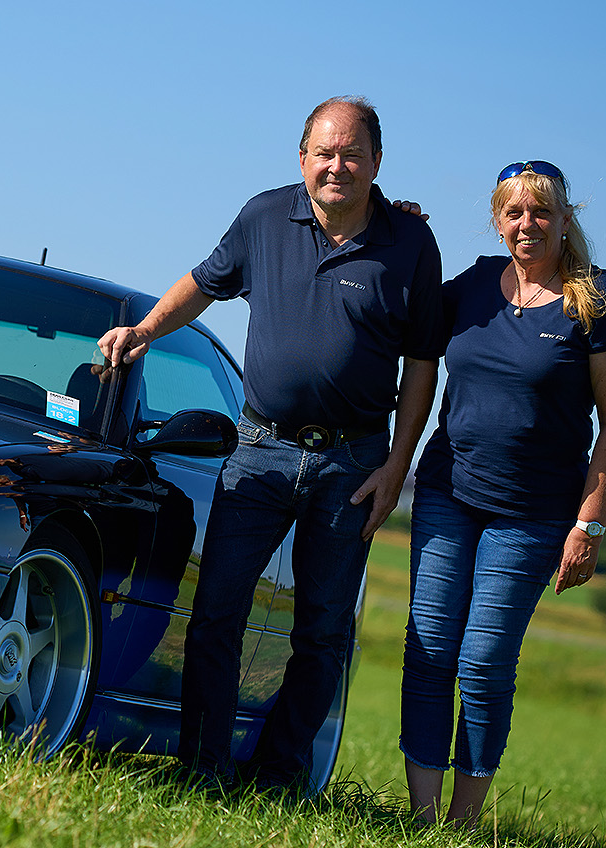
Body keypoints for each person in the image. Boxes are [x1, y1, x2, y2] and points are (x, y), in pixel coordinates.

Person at [99, 96, 445, 792]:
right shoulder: (263, 217)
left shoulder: (411, 243)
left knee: (323, 632)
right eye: (325, 152)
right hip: (260, 452)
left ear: (377, 162)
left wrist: (397, 466)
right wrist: (145, 329)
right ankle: (203, 769)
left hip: (353, 463)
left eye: (352, 154)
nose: (337, 166)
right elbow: (203, 283)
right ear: (302, 158)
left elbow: (422, 366)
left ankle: (278, 777)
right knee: (216, 614)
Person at [401, 160, 606, 827]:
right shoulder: (474, 285)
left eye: (541, 211)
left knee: (483, 663)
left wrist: (589, 524)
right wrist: (401, 230)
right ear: (498, 221)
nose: (527, 223)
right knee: (429, 650)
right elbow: (405, 310)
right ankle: (423, 820)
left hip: (534, 516)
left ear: (564, 219)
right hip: (447, 495)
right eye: (514, 211)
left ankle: (463, 824)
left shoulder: (598, 298)